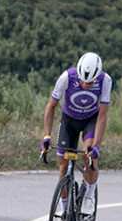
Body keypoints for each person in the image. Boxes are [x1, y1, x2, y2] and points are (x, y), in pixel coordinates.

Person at [41, 51, 112, 211]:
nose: (85, 85)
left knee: (89, 158)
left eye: (89, 82)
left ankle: (89, 196)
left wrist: (96, 146)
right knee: (63, 167)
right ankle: (64, 211)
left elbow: (103, 114)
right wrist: (46, 136)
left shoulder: (105, 80)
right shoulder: (67, 77)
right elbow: (50, 106)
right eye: (82, 80)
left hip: (90, 121)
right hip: (69, 121)